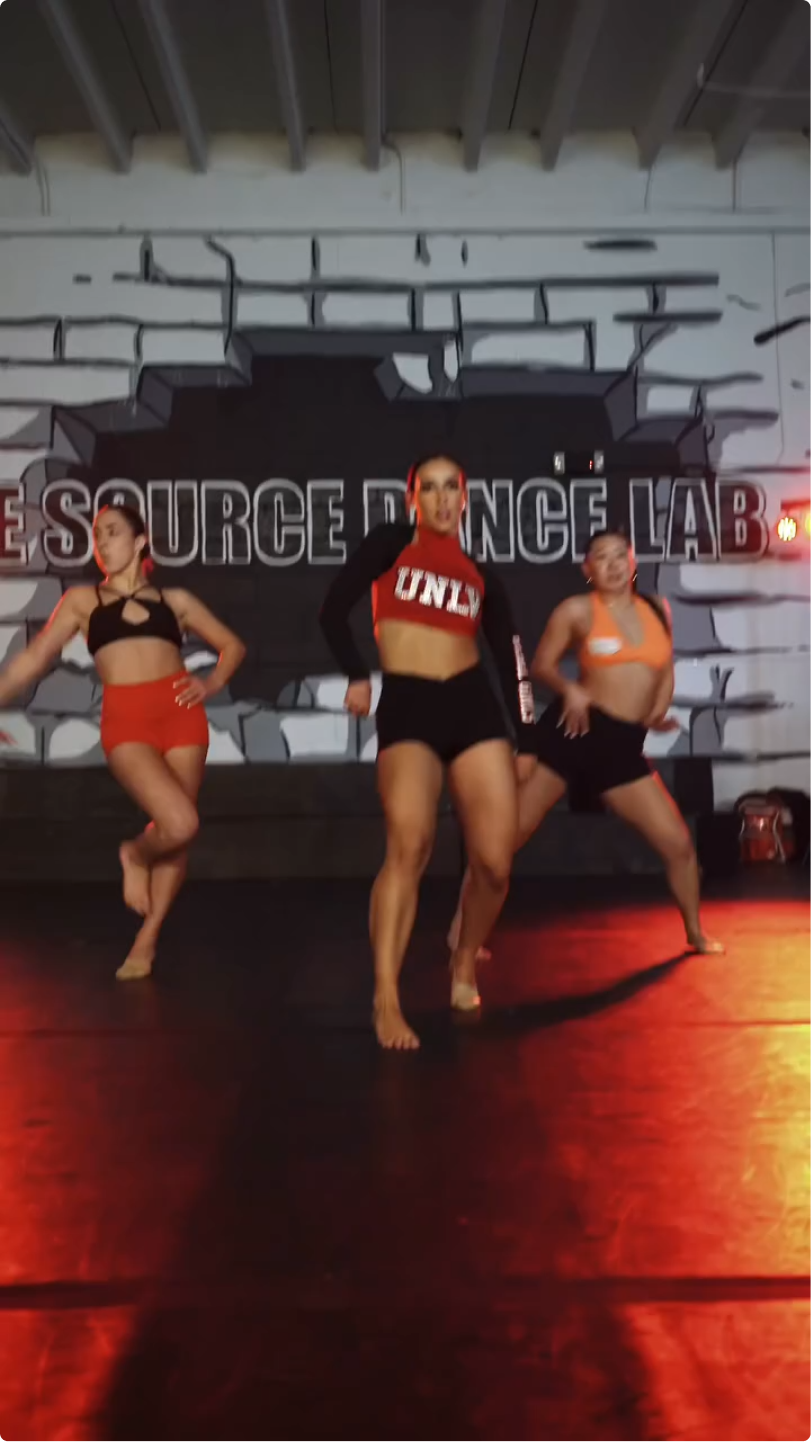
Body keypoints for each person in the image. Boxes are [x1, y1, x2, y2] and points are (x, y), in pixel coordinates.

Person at [319, 454, 537, 1051]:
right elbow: (332, 610)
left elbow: (512, 658)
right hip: (410, 703)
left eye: (451, 489)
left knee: (494, 864)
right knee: (409, 845)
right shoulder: (390, 544)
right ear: (411, 498)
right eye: (429, 488)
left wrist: (528, 738)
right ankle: (386, 998)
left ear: (465, 499)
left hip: (472, 704)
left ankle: (463, 959)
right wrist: (356, 674)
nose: (442, 499)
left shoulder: (480, 574)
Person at [449, 528, 723, 957]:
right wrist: (571, 688)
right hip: (573, 732)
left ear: (633, 562)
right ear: (587, 569)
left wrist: (655, 713)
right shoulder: (576, 611)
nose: (613, 565)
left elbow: (663, 669)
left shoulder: (657, 608)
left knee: (679, 845)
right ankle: (460, 932)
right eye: (601, 557)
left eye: (620, 555)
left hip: (621, 747)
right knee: (502, 841)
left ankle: (695, 933)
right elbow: (542, 664)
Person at [0, 503, 245, 980]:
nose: (101, 542)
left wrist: (212, 682)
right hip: (127, 720)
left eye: (112, 532)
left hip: (181, 715)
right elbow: (34, 660)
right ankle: (134, 852)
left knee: (179, 835)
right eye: (97, 535)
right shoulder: (82, 601)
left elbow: (233, 645)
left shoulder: (175, 600)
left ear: (139, 542)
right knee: (179, 821)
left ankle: (147, 938)